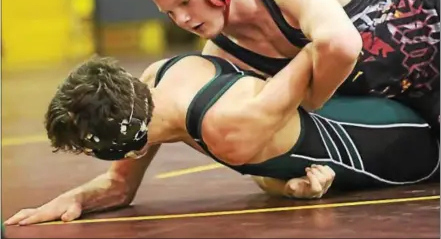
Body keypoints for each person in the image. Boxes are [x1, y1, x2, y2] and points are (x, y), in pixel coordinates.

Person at [5, 48, 439, 226]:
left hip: (410, 147)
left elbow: (324, 48)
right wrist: (77, 198)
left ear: (132, 143)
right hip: (381, 111)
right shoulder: (160, 75)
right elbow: (120, 185)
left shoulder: (230, 126)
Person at [135, 0, 440, 135]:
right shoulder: (223, 54)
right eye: (171, 13)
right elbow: (172, 108)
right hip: (418, 98)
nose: (183, 20)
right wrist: (121, 180)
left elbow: (342, 45)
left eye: (186, 1)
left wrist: (311, 100)